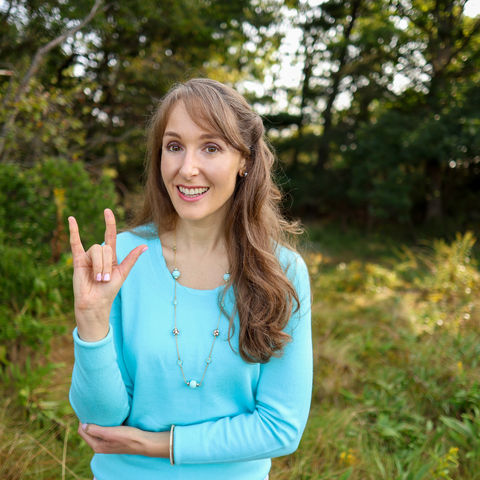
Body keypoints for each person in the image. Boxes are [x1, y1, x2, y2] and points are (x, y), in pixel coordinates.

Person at [68, 78, 312, 480]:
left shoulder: (282, 273)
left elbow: (281, 427)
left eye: (211, 147)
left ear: (245, 160)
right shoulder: (124, 258)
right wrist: (91, 321)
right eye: (174, 146)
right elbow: (101, 422)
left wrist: (161, 446)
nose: (187, 168)